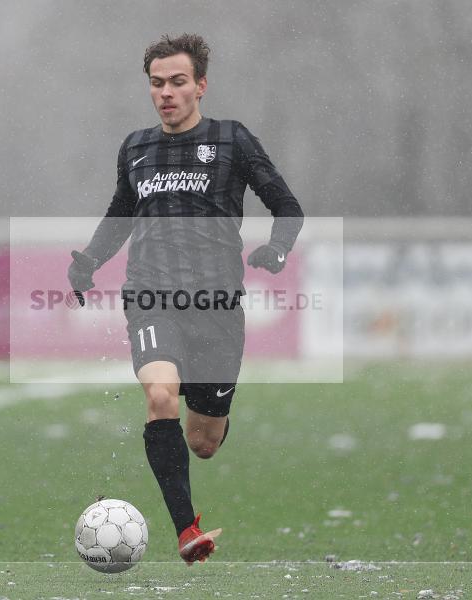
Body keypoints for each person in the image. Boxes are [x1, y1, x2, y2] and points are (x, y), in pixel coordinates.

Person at [68, 33, 303, 564]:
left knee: (203, 441)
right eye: (157, 83)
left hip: (218, 308)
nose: (166, 93)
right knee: (159, 397)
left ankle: (213, 413)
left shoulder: (232, 142)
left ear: (200, 85)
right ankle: (185, 530)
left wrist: (279, 249)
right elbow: (120, 216)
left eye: (177, 82)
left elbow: (288, 206)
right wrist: (87, 261)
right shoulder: (136, 149)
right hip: (151, 295)